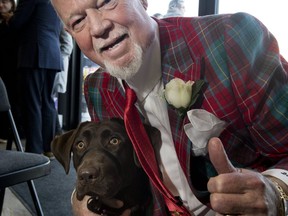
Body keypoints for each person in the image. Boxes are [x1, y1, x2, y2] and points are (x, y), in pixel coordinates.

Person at [50, 0, 288, 215]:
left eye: (106, 1)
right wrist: (82, 199)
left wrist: (277, 193)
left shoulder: (230, 39)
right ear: (70, 33)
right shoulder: (97, 87)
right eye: (78, 21)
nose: (97, 27)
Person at [9, 0, 63, 158]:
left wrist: (9, 18)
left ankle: (34, 149)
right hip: (52, 54)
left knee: (32, 102)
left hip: (34, 54)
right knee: (47, 101)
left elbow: (17, 23)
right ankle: (48, 147)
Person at [0, 0, 23, 141]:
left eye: (4, 1)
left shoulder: (16, 21)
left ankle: (11, 133)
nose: (1, 5)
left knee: (12, 101)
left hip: (12, 67)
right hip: (2, 67)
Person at [52, 24, 74, 135]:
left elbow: (68, 46)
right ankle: (57, 131)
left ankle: (57, 131)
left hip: (57, 68)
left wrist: (55, 58)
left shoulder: (60, 21)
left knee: (50, 100)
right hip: (55, 67)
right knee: (50, 100)